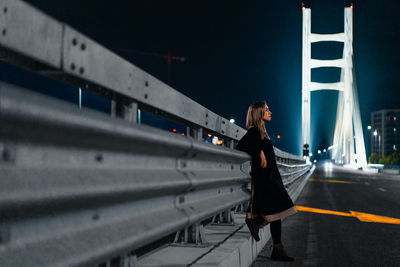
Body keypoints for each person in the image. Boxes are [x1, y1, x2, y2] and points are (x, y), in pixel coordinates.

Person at [236, 101, 296, 261]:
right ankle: (253, 219)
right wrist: (258, 153)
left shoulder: (263, 132)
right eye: (267, 110)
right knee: (280, 208)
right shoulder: (254, 131)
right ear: (259, 113)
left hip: (272, 177)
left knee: (277, 212)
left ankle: (277, 247)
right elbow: (239, 146)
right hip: (265, 178)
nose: (270, 112)